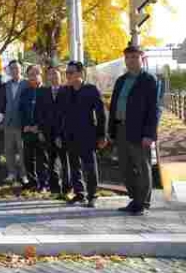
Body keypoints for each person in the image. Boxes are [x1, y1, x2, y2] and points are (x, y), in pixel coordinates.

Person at [108, 44, 160, 215]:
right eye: (128, 57)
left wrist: (149, 134)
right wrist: (111, 131)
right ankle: (134, 199)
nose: (131, 60)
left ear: (141, 58)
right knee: (125, 166)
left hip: (139, 132)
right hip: (121, 128)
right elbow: (114, 105)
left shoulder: (148, 80)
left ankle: (142, 202)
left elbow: (154, 109)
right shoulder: (121, 80)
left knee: (142, 167)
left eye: (134, 57)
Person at [60, 61, 107, 208]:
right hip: (70, 135)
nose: (68, 75)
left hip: (87, 135)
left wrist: (102, 135)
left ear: (80, 73)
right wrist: (59, 135)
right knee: (74, 166)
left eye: (71, 72)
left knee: (90, 166)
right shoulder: (65, 91)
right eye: (67, 73)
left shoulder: (91, 90)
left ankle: (92, 195)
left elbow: (101, 114)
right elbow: (60, 115)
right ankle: (80, 193)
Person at [35, 66, 70, 199]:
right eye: (50, 75)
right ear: (47, 77)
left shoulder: (67, 90)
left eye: (56, 74)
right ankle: (55, 188)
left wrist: (62, 133)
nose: (53, 77)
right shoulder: (42, 92)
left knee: (65, 161)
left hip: (63, 132)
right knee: (51, 161)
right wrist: (40, 130)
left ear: (60, 76)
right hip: (47, 132)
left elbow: (67, 113)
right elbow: (38, 112)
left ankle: (67, 187)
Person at [19, 65, 48, 191]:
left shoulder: (46, 91)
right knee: (28, 159)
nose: (33, 76)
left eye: (36, 73)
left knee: (42, 159)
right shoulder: (25, 92)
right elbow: (21, 111)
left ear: (41, 75)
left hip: (41, 132)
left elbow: (49, 113)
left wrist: (39, 127)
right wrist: (26, 126)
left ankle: (43, 184)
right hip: (27, 131)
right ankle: (32, 182)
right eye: (30, 74)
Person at [2, 60, 29, 184]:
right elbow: (5, 103)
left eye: (16, 68)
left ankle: (24, 174)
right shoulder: (6, 85)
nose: (14, 71)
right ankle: (11, 173)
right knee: (9, 150)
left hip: (21, 122)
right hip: (8, 122)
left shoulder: (26, 84)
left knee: (22, 150)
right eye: (12, 68)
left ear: (21, 69)